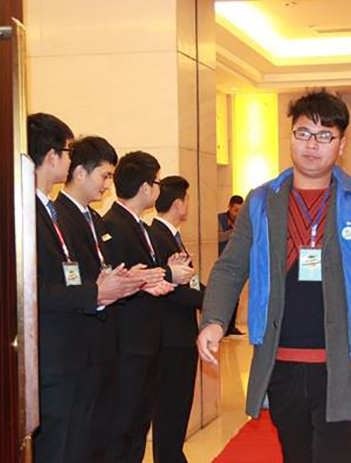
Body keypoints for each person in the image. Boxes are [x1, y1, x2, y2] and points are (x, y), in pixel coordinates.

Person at [197, 89, 351, 463]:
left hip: (345, 364)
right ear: (291, 137)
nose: (312, 145)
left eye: (324, 136)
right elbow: (231, 266)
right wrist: (214, 320)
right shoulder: (262, 201)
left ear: (341, 144)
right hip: (281, 363)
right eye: (303, 133)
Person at [50, 135, 149, 461]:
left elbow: (102, 270)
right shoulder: (58, 217)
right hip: (75, 349)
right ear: (80, 172)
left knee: (98, 437)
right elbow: (62, 283)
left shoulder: (93, 218)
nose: (108, 185)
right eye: (104, 176)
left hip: (104, 345)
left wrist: (130, 280)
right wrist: (100, 289)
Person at [102, 151, 180, 463]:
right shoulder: (112, 225)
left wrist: (164, 275)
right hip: (128, 345)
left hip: (149, 341)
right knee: (122, 427)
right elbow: (119, 282)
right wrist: (163, 275)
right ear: (146, 187)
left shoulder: (142, 227)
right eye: (157, 182)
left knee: (138, 425)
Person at [150, 176, 206, 463]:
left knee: (178, 408)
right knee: (170, 409)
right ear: (178, 203)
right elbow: (173, 290)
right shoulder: (157, 237)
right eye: (187, 200)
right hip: (170, 339)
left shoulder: (172, 236)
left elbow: (189, 282)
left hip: (181, 335)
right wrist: (211, 300)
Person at [218, 194, 244, 336]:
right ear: (229, 207)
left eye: (240, 210)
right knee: (223, 296)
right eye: (235, 210)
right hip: (221, 264)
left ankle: (231, 326)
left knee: (235, 296)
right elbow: (217, 237)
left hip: (235, 264)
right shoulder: (219, 219)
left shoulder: (242, 222)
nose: (238, 214)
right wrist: (235, 231)